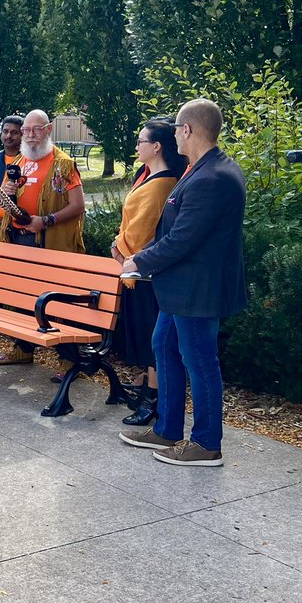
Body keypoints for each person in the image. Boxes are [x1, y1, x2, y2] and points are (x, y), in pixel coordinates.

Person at [120, 98, 247, 468]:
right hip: (181, 290)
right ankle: (168, 429)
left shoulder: (214, 177)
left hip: (198, 291)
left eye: (176, 128)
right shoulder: (201, 168)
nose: (174, 134)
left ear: (188, 130)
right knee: (163, 344)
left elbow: (183, 239)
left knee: (200, 360)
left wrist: (138, 261)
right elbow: (175, 230)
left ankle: (207, 444)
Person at [0, 109, 86, 365]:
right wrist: (8, 192)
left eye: (36, 129)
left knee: (55, 299)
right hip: (20, 240)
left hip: (50, 243)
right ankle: (23, 349)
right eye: (26, 130)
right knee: (23, 296)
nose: (30, 135)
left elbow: (78, 206)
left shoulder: (63, 164)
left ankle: (68, 359)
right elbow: (1, 210)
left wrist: (44, 221)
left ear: (48, 130)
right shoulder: (18, 163)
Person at [112, 119, 186, 425]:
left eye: (141, 141)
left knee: (153, 341)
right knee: (148, 340)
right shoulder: (153, 177)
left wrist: (118, 249)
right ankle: (146, 391)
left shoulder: (160, 185)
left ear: (156, 147)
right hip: (138, 274)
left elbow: (141, 234)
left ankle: (152, 401)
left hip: (144, 276)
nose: (136, 146)